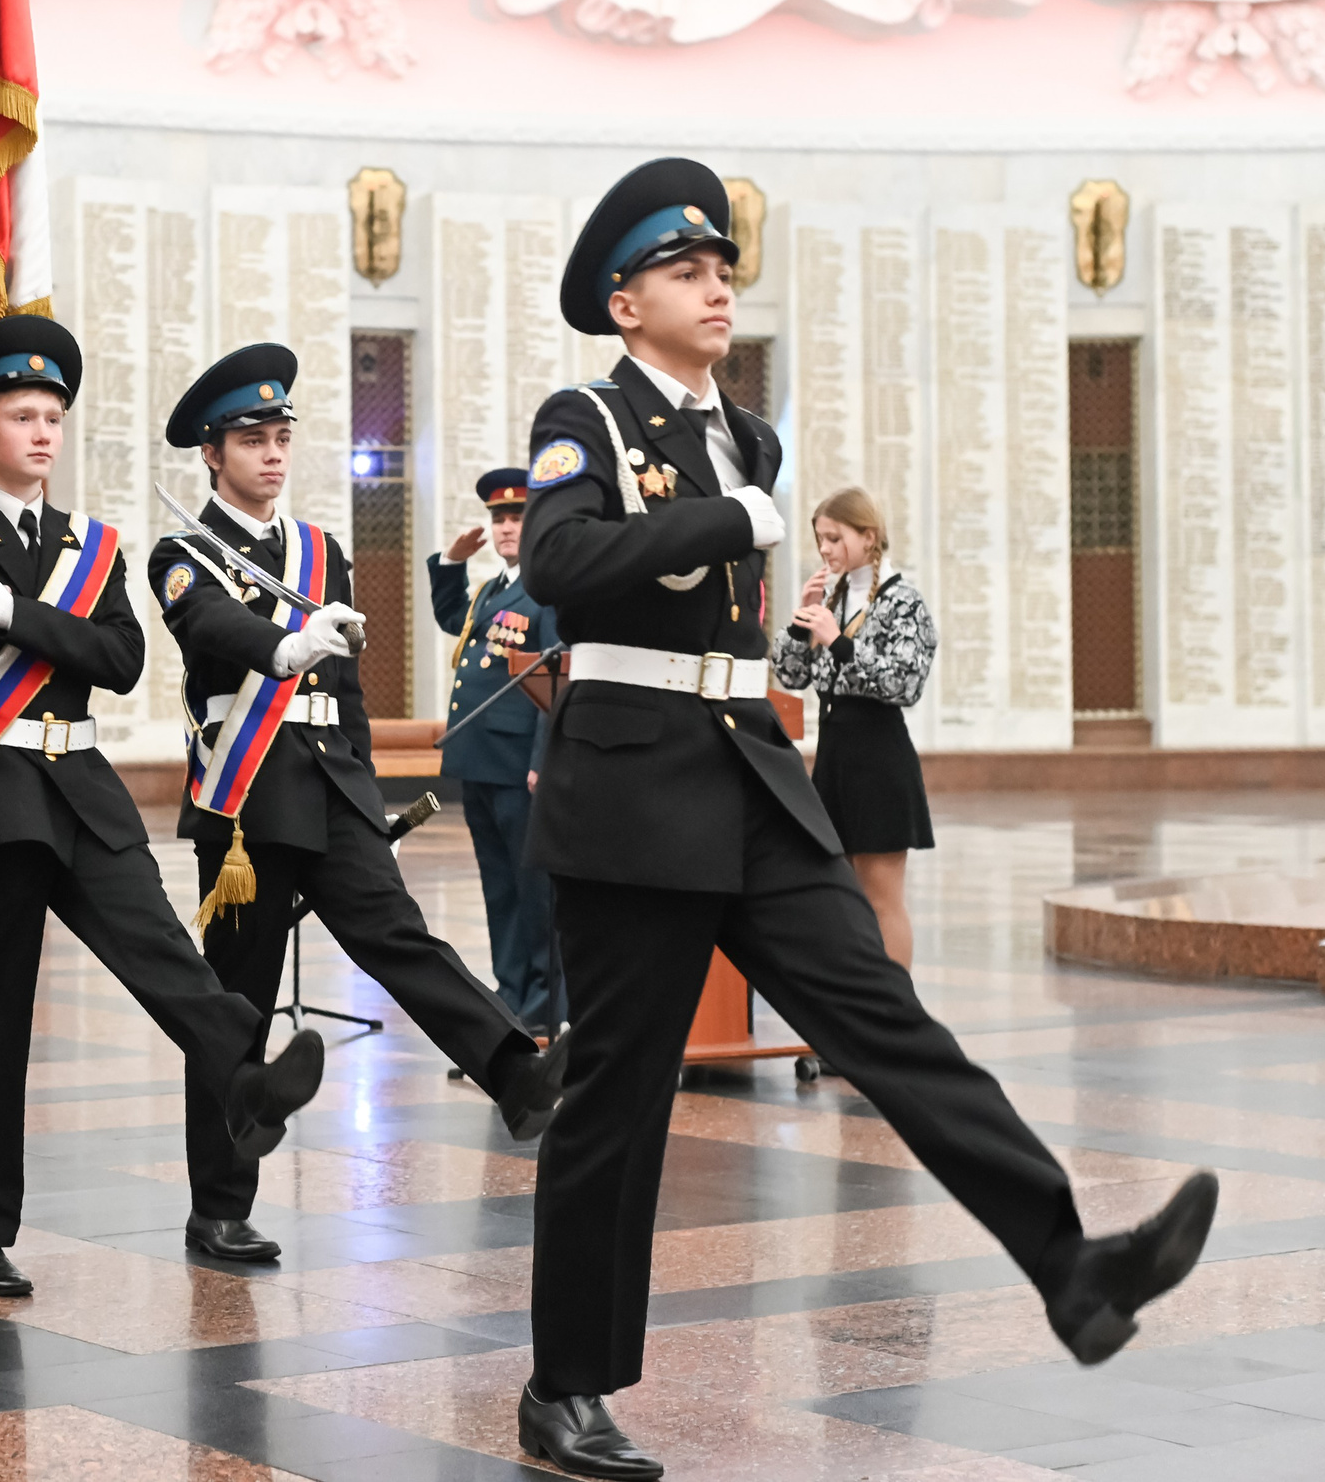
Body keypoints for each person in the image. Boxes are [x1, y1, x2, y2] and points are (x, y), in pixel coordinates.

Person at [511, 159, 1218, 1480]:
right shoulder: (588, 422)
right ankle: (567, 1386)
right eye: (685, 270)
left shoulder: (754, 434)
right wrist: (730, 515)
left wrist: (748, 510)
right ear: (624, 306)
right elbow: (554, 566)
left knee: (885, 1017)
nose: (717, 286)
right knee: (619, 1098)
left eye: (724, 268)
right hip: (628, 789)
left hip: (748, 776)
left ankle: (1070, 1262)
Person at [0, 315, 326, 1298]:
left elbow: (122, 659)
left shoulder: (90, 547)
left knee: (166, 956)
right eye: (22, 413)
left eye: (53, 415)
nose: (43, 432)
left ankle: (246, 1074)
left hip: (86, 793)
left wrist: (15, 616)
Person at [149, 343, 570, 1264]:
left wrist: (365, 783)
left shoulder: (321, 550)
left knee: (400, 936)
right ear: (212, 454)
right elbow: (212, 628)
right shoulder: (182, 554)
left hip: (332, 783)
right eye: (251, 438)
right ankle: (219, 1205)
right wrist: (287, 644)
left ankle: (515, 1068)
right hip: (246, 806)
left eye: (281, 435)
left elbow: (343, 689)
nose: (271, 453)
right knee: (239, 1000)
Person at [773, 487, 935, 971]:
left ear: (868, 536)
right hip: (835, 757)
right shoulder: (834, 598)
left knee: (882, 899)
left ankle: (894, 1023)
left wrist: (838, 642)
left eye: (834, 538)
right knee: (839, 902)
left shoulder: (903, 601)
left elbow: (904, 683)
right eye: (820, 539)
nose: (825, 550)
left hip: (880, 758)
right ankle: (851, 1021)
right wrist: (803, 620)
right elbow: (790, 675)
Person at [427, 467, 564, 1035]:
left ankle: (543, 1004)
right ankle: (511, 996)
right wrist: (452, 564)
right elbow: (453, 620)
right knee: (499, 887)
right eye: (499, 519)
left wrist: (542, 760)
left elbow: (556, 677)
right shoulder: (493, 589)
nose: (507, 528)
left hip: (518, 766)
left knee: (534, 891)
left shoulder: (549, 589)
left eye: (517, 518)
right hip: (480, 760)